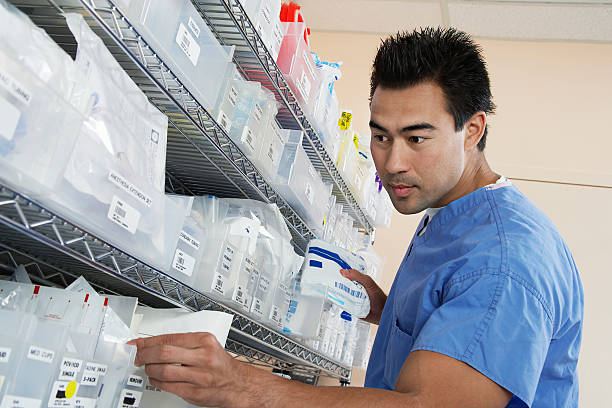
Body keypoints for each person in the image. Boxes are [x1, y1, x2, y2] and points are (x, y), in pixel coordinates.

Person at [130, 27, 583, 407]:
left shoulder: (503, 261)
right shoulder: (455, 214)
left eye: (416, 138)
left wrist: (242, 384)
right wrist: (393, 311)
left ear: (473, 130)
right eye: (381, 136)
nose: (393, 162)